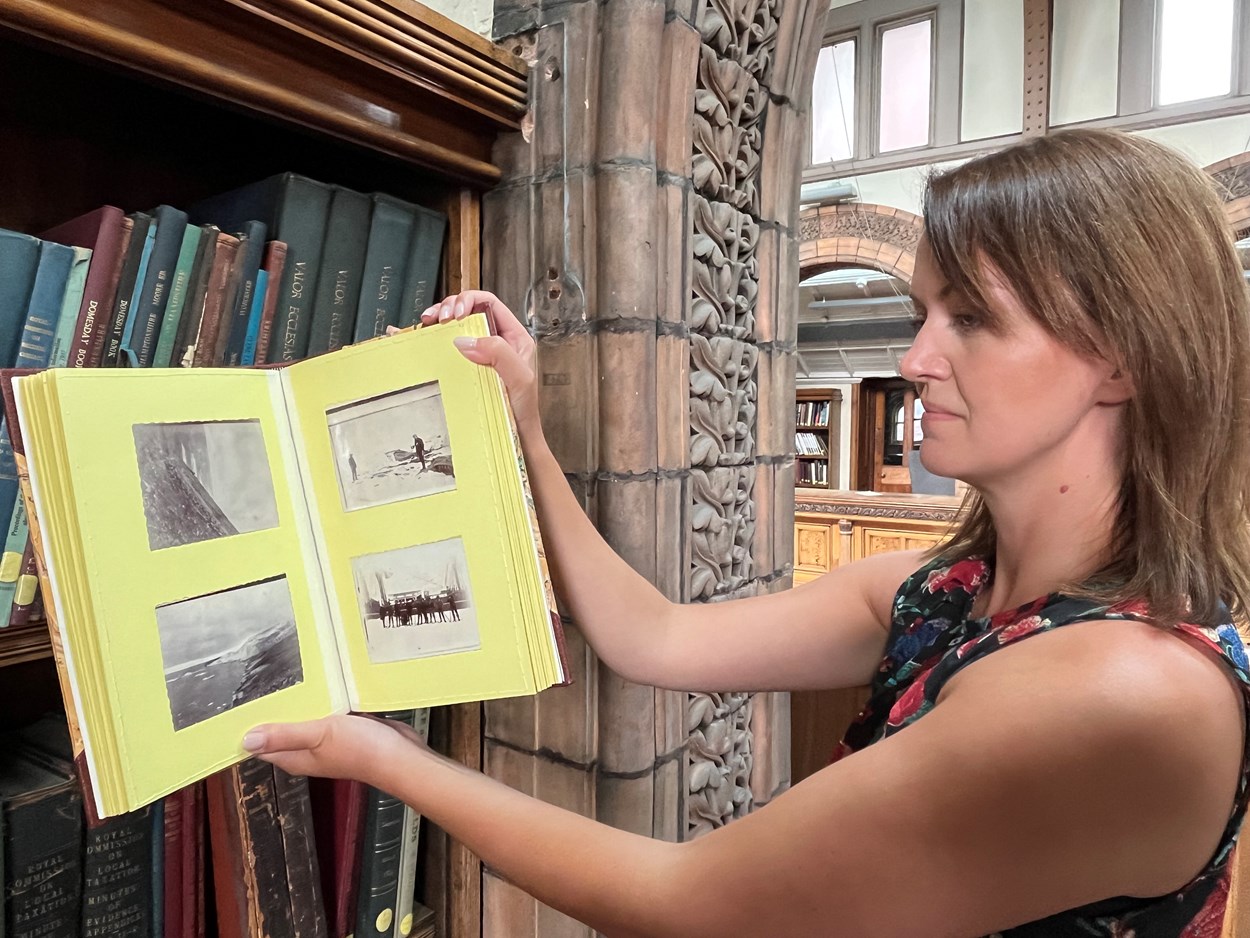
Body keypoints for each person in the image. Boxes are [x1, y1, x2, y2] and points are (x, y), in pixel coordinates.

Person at [243, 129, 1250, 936]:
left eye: (972, 319)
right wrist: (526, 434)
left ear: (1121, 359)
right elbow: (655, 637)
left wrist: (380, 757)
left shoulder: (1126, 691)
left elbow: (687, 900)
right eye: (921, 311)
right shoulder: (943, 589)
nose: (914, 355)